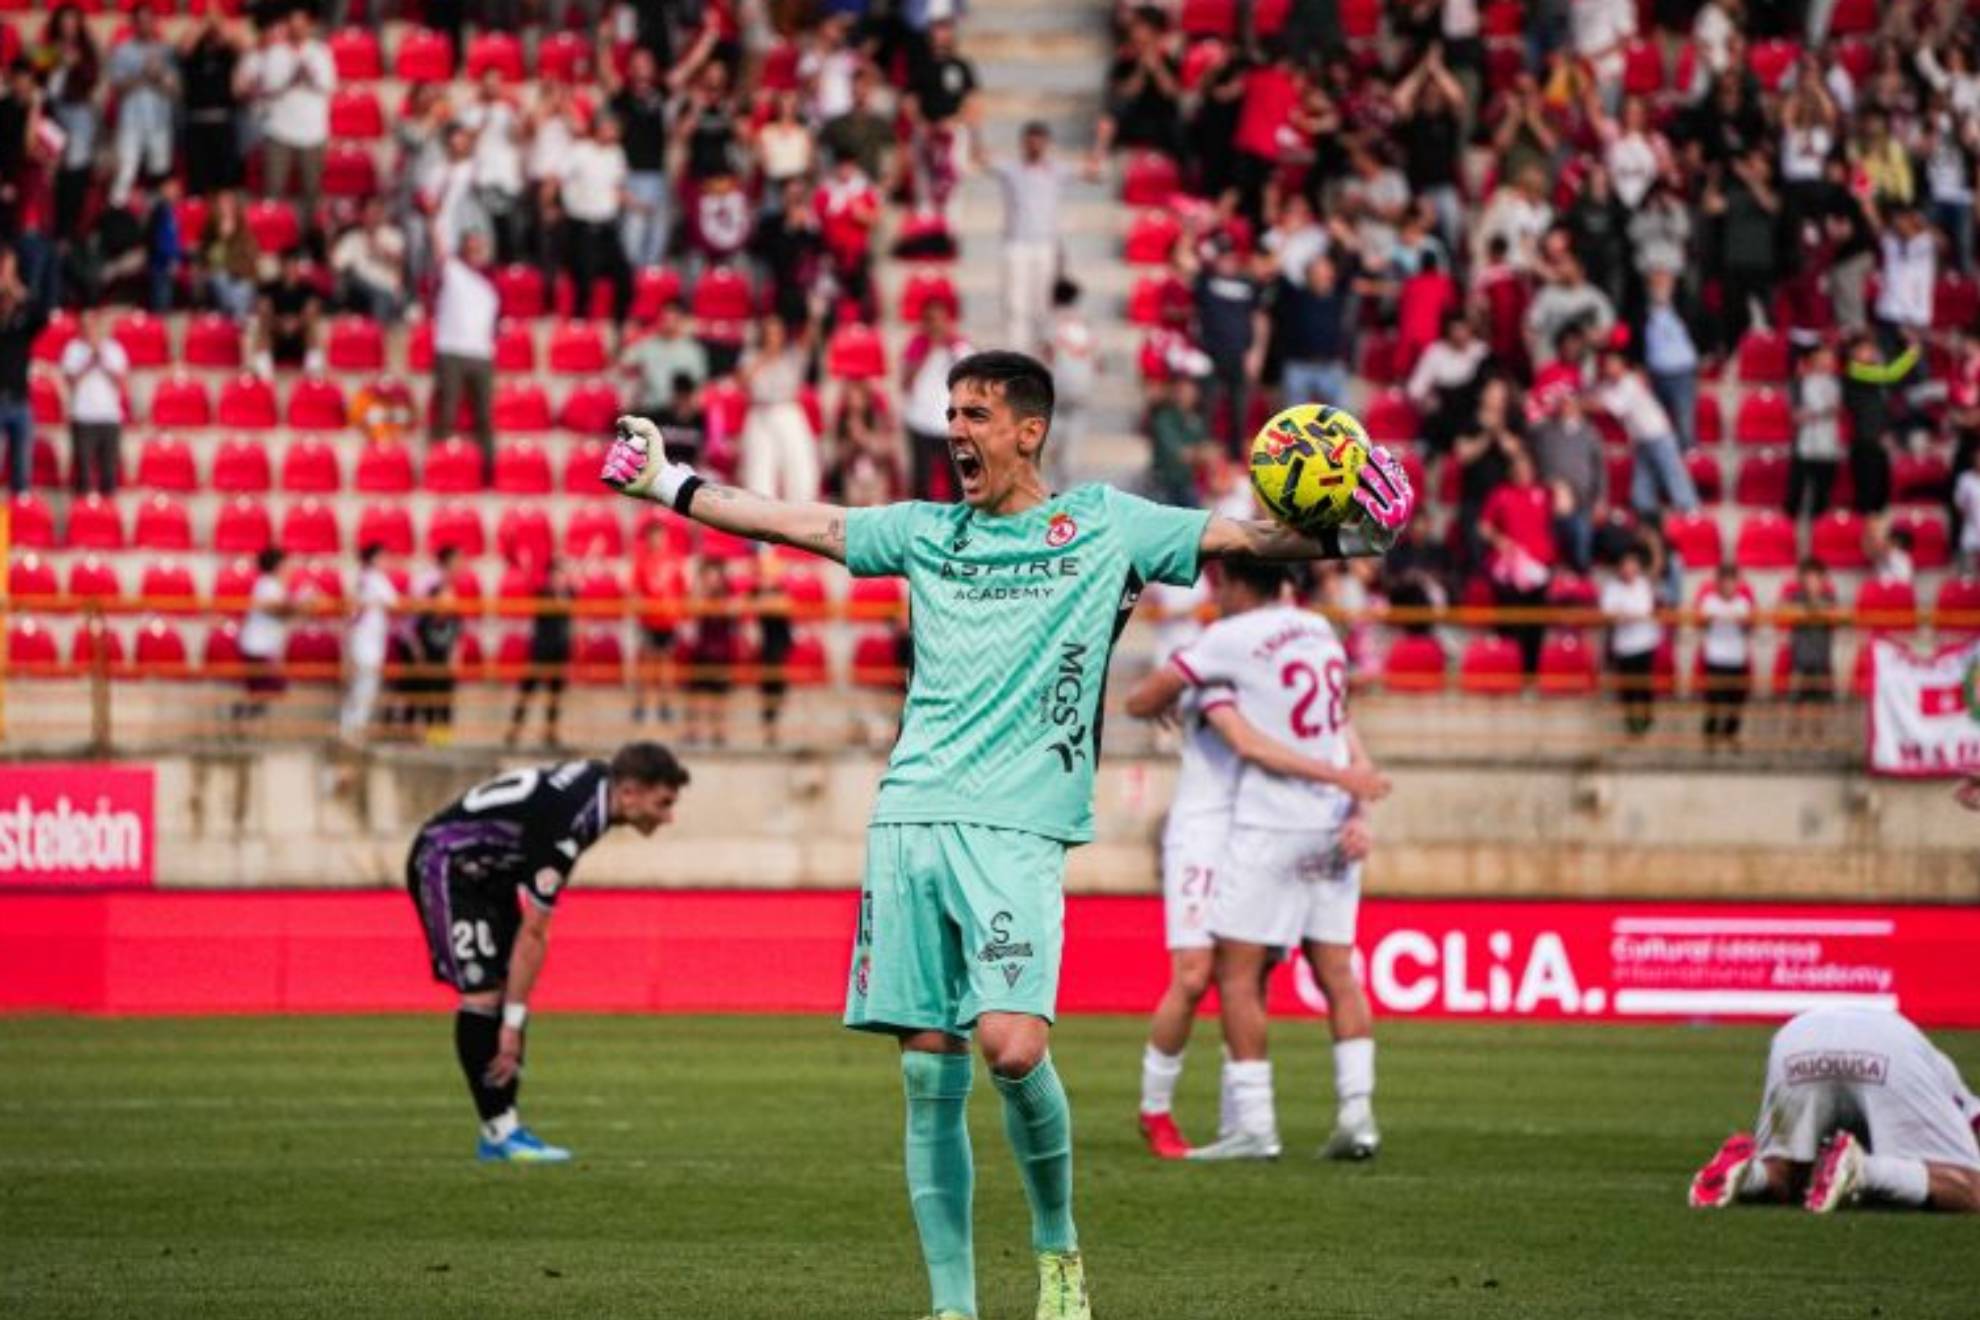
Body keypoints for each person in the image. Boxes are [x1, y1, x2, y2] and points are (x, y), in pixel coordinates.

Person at [601, 350, 1414, 1320]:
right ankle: (954, 1307)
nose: (955, 430)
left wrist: (1357, 535)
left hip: (1020, 829)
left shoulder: (1109, 525)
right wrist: (666, 484)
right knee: (926, 1070)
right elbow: (797, 521)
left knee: (1015, 1048)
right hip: (910, 819)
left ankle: (1057, 1248)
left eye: (976, 413)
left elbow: (1253, 538)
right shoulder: (926, 531)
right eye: (950, 411)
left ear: (1029, 430)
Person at [1124, 559, 1390, 1163]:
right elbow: (1322, 724)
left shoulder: (1230, 646)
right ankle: (1159, 1107)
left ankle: (1248, 1119)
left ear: (1237, 587)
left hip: (1263, 825)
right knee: (1199, 974)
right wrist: (1355, 794)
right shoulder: (1311, 632)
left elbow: (1161, 705)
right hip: (1213, 829)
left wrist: (1353, 793)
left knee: (1246, 972)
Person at [407, 743, 690, 1162]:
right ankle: (500, 1134)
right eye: (663, 803)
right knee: (485, 995)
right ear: (629, 792)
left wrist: (515, 1016)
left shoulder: (595, 787)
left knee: (503, 996)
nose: (668, 817)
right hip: (451, 862)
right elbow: (534, 932)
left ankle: (504, 1130)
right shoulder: (572, 821)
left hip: (494, 869)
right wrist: (512, 1025)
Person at [1689, 1007, 1980, 1213]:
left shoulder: (1928, 1067)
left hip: (1798, 1038)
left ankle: (1749, 1175)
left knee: (1786, 1170)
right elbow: (1973, 1119)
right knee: (1971, 1190)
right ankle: (1863, 1170)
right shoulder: (1943, 1078)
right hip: (1886, 1048)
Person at [981, 122, 1095, 356]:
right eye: (1030, 140)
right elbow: (980, 159)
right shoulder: (1011, 169)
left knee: (1042, 303)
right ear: (1023, 143)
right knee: (1015, 302)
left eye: (1039, 140)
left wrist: (1102, 138)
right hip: (1016, 244)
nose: (1034, 145)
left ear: (1046, 144)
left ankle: (1041, 353)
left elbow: (1092, 171)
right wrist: (973, 127)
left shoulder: (1056, 170)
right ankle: (1016, 354)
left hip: (1045, 245)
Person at [248, 9, 335, 233]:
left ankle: (307, 241)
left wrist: (310, 76)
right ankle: (272, 238)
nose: (297, 28)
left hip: (312, 132)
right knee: (274, 191)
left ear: (308, 26)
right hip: (280, 130)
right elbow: (267, 88)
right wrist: (291, 78)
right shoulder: (276, 53)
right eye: (293, 24)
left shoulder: (320, 52)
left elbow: (329, 85)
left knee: (311, 193)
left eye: (301, 24)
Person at [431, 229, 499, 481]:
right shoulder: (453, 271)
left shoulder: (490, 286)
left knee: (485, 418)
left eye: (480, 247)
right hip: (451, 351)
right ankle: (437, 469)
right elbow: (438, 242)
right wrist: (432, 217)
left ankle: (490, 474)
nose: (476, 252)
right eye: (472, 246)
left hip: (481, 355)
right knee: (446, 413)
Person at [737, 314, 819, 503]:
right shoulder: (750, 355)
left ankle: (801, 511)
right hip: (760, 412)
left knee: (800, 466)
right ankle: (761, 518)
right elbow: (741, 381)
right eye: (769, 333)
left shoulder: (793, 354)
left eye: (777, 333)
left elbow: (810, 337)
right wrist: (765, 355)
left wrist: (814, 312)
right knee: (759, 471)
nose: (773, 337)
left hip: (787, 411)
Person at [105, 7, 176, 207]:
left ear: (155, 23)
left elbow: (174, 89)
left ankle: (157, 220)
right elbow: (117, 88)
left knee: (159, 174)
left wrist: (159, 75)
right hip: (131, 123)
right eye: (140, 22)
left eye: (149, 21)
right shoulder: (123, 51)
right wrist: (143, 74)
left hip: (159, 123)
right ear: (133, 25)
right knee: (124, 174)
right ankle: (116, 219)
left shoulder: (166, 51)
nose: (145, 26)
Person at [58, 310, 128, 497]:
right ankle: (82, 512)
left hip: (109, 417)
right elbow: (70, 380)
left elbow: (120, 381)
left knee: (109, 471)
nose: (89, 330)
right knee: (83, 472)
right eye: (85, 325)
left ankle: (107, 515)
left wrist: (102, 358)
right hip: (83, 417)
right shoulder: (73, 349)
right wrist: (88, 362)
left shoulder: (113, 349)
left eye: (92, 325)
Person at [506, 560, 573, 749]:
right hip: (540, 650)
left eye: (562, 575)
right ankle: (515, 729)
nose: (560, 579)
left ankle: (551, 731)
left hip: (560, 651)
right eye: (556, 575)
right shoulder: (542, 594)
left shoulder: (569, 594)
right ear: (550, 577)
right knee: (526, 691)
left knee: (555, 694)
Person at [340, 543, 399, 746]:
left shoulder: (363, 577)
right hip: (367, 637)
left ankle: (349, 727)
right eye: (384, 557)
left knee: (361, 684)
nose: (388, 562)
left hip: (366, 636)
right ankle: (355, 728)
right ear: (374, 559)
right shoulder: (374, 578)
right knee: (367, 684)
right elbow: (393, 602)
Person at [1600, 546, 1662, 736]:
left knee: (1644, 685)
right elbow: (1609, 613)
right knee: (1628, 688)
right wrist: (1625, 615)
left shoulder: (1644, 584)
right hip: (1625, 646)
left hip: (1644, 643)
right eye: (1625, 565)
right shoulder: (1612, 588)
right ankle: (1631, 722)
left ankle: (1646, 719)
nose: (1629, 569)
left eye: (1632, 564)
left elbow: (1645, 610)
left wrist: (1626, 614)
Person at [1695, 563, 1754, 752]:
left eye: (1732, 581)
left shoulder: (1743, 603)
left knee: (1736, 700)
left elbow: (1750, 628)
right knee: (1714, 700)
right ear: (1718, 583)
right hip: (1716, 657)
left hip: (1736, 657)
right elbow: (1700, 625)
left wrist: (1742, 621)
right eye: (1725, 581)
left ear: (1737, 583)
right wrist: (1710, 619)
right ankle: (1710, 734)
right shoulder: (1709, 601)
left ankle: (1731, 733)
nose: (1728, 585)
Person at [680, 556, 738, 748]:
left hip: (721, 652)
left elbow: (732, 616)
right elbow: (691, 610)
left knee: (719, 696)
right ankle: (692, 732)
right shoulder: (699, 594)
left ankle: (719, 733)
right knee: (695, 695)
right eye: (709, 575)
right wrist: (700, 588)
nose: (713, 579)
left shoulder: (728, 597)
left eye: (716, 575)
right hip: (701, 651)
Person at [1782, 558, 1838, 742]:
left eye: (1816, 577)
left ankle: (1818, 735)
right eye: (1808, 578)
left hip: (1821, 657)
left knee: (1820, 699)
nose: (1812, 582)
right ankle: (1793, 734)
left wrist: (1817, 610)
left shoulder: (1830, 599)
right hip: (1800, 657)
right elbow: (1784, 611)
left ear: (1822, 579)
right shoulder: (1796, 598)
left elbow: (1838, 618)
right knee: (1796, 699)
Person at [236, 547, 291, 724]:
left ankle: (244, 720)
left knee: (267, 689)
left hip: (265, 646)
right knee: (271, 686)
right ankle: (240, 716)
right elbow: (277, 611)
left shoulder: (273, 585)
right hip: (258, 647)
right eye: (286, 564)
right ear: (278, 565)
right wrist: (302, 606)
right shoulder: (267, 585)